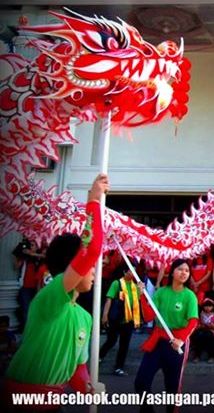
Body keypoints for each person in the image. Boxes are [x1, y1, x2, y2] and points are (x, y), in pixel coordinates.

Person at [3, 174, 109, 408]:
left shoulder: (85, 318)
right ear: (73, 266)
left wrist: (88, 389)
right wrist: (93, 201)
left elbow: (76, 369)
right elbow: (90, 250)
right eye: (89, 268)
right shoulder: (49, 298)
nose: (93, 273)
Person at [134, 259, 199, 413]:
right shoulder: (162, 292)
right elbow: (149, 317)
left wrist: (181, 339)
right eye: (180, 269)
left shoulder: (189, 296)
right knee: (141, 382)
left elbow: (193, 322)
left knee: (172, 389)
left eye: (187, 270)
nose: (184, 273)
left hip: (176, 344)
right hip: (158, 341)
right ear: (172, 272)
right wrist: (143, 296)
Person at [100, 264, 143, 376]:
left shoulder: (135, 286)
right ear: (124, 272)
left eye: (135, 271)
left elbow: (137, 302)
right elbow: (109, 299)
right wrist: (104, 315)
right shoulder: (117, 283)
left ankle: (119, 367)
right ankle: (99, 356)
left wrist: (141, 291)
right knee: (111, 341)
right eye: (131, 271)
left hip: (128, 320)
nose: (133, 273)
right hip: (116, 318)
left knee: (124, 345)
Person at [191, 297, 214, 364]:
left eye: (210, 306)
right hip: (202, 329)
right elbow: (198, 323)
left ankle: (211, 356)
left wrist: (213, 326)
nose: (208, 308)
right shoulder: (201, 314)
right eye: (206, 306)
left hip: (211, 330)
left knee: (210, 336)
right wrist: (200, 325)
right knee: (199, 335)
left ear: (212, 307)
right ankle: (197, 356)